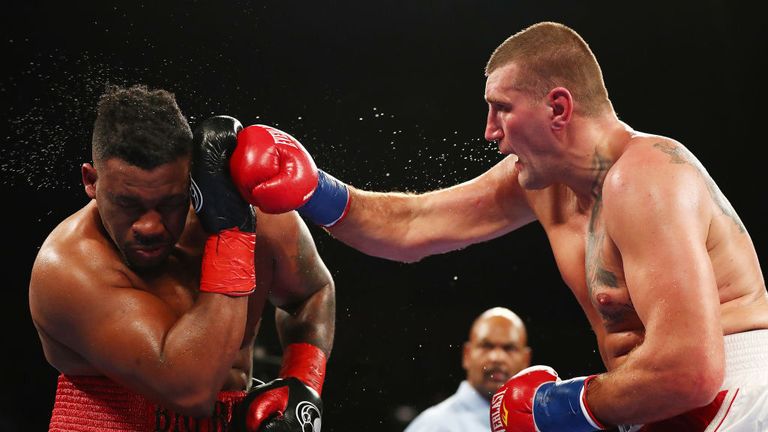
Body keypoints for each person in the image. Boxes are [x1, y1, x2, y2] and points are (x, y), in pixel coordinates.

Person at [229, 21, 768, 431]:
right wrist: (313, 188)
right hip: (664, 405)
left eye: (501, 108)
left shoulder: (646, 177)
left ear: (558, 107)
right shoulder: (542, 184)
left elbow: (689, 368)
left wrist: (555, 407)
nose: (490, 131)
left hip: (733, 390)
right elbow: (414, 227)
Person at [28, 84, 335, 431]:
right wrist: (231, 236)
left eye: (169, 203)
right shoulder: (68, 267)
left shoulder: (258, 218)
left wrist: (303, 381)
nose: (150, 226)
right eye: (128, 204)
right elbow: (191, 392)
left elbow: (311, 292)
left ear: (190, 180)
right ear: (91, 181)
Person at [404, 307, 531, 432]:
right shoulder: (434, 426)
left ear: (526, 360)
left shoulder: (538, 426)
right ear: (467, 355)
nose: (497, 357)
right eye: (486, 346)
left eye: (509, 348)